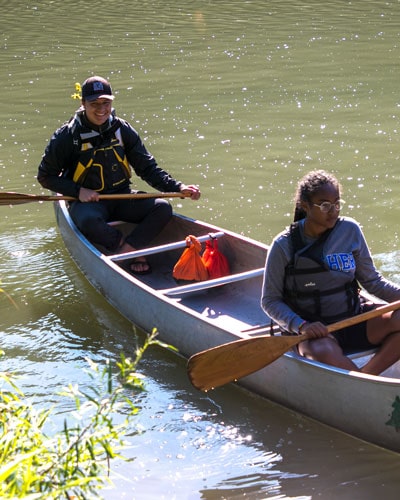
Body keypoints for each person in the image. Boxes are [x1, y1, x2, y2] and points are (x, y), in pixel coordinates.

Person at [37, 75, 200, 274]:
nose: (101, 109)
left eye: (105, 103)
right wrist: (78, 191)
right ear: (83, 104)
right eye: (94, 103)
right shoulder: (66, 136)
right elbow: (45, 176)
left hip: (122, 195)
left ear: (112, 102)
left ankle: (129, 248)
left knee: (162, 208)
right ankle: (123, 247)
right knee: (88, 221)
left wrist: (178, 187)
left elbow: (147, 168)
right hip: (88, 203)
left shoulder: (122, 130)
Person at [261, 169, 400, 375]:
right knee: (323, 349)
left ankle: (365, 378)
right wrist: (302, 326)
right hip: (315, 333)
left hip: (354, 319)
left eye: (337, 203)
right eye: (325, 205)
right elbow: (270, 301)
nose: (333, 211)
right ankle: (365, 386)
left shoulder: (350, 231)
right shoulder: (283, 245)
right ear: (305, 206)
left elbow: (373, 282)